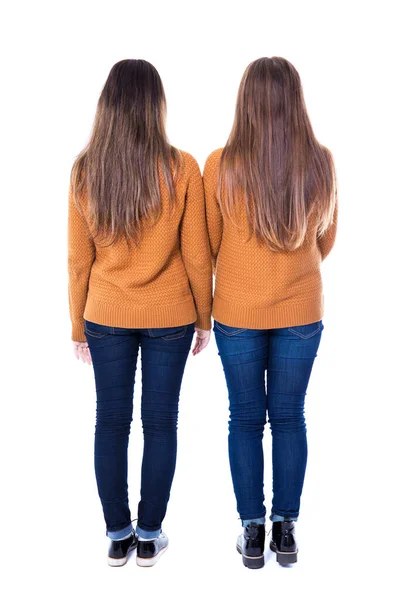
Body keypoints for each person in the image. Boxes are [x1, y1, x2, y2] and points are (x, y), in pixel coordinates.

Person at [67, 59, 212, 568]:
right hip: (171, 312)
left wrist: (75, 326)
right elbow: (197, 254)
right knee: (160, 423)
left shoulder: (86, 170)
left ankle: (116, 534)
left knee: (110, 423)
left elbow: (77, 260)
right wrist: (204, 318)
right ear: (156, 106)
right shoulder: (182, 167)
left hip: (104, 312)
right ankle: (149, 535)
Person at [203, 56, 338, 569]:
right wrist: (291, 265)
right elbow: (325, 239)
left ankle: (250, 532)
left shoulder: (221, 164)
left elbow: (211, 243)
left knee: (244, 418)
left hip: (236, 311)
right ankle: (286, 529)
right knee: (288, 417)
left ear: (247, 103)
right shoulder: (321, 161)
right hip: (301, 310)